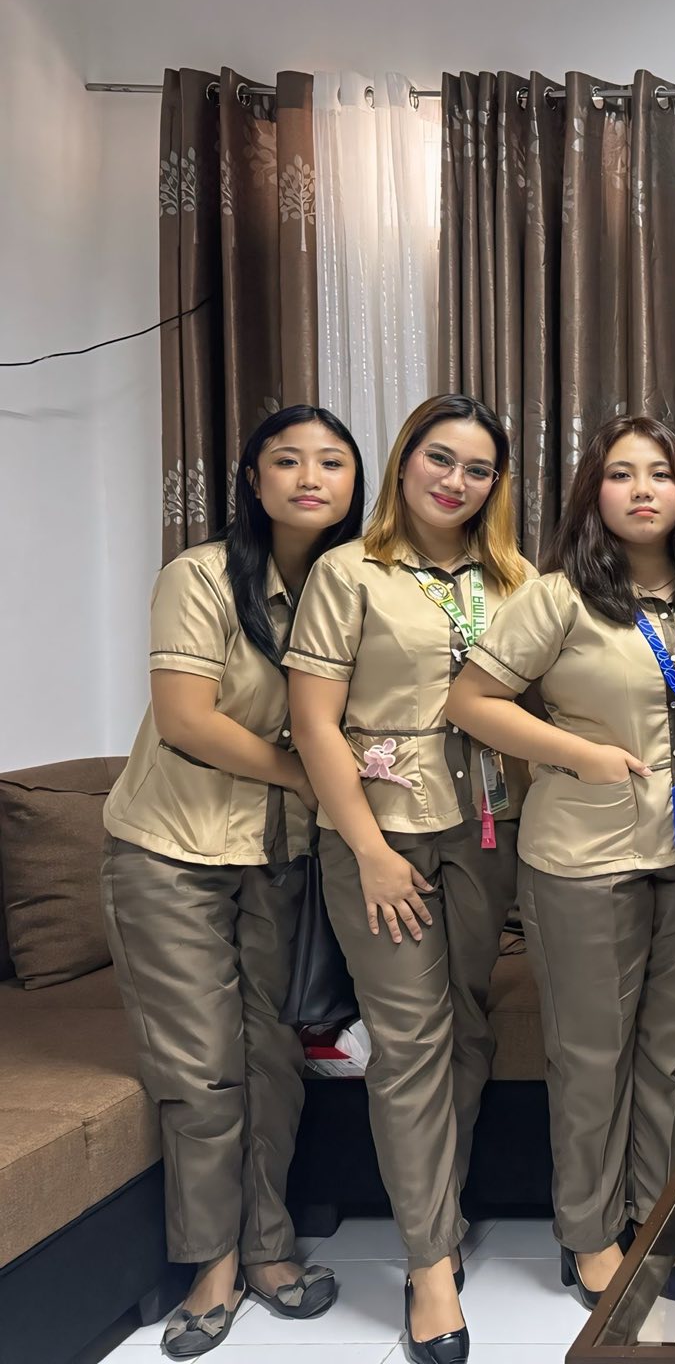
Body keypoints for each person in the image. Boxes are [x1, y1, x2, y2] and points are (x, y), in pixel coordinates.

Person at [447, 416, 675, 1311]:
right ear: (592, 493)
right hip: (585, 854)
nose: (642, 490)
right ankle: (589, 1233)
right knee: (591, 1054)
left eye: (661, 474)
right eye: (620, 474)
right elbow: (471, 701)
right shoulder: (559, 596)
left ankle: (659, 1217)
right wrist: (577, 754)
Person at [101, 406, 363, 1357]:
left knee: (274, 1060)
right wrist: (310, 773)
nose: (310, 477)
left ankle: (269, 1248)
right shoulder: (201, 575)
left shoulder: (353, 585)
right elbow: (186, 719)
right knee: (204, 1069)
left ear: (355, 484)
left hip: (281, 855)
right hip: (170, 852)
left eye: (331, 462)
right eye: (286, 460)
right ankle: (212, 1265)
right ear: (253, 480)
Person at [286, 394, 535, 1364]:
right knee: (410, 1038)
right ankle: (429, 1265)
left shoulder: (514, 578)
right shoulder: (349, 571)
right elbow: (313, 724)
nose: (455, 481)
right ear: (404, 460)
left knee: (466, 1023)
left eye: (477, 469)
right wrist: (370, 851)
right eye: (439, 458)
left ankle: (444, 1212)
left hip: (487, 826)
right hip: (380, 831)